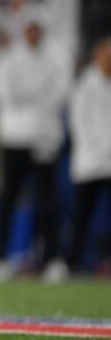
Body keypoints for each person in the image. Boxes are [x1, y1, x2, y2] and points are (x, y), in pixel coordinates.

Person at [0, 7, 71, 282]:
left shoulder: (57, 56)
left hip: (45, 137)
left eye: (37, 28)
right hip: (14, 136)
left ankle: (52, 260)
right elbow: (4, 93)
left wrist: (30, 97)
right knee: (7, 200)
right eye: (29, 28)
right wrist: (36, 96)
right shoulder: (8, 57)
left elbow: (61, 94)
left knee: (48, 202)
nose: (32, 33)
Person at [66, 37, 111, 273]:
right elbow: (79, 124)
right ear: (97, 55)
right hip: (90, 158)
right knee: (82, 214)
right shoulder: (85, 85)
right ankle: (72, 263)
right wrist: (99, 146)